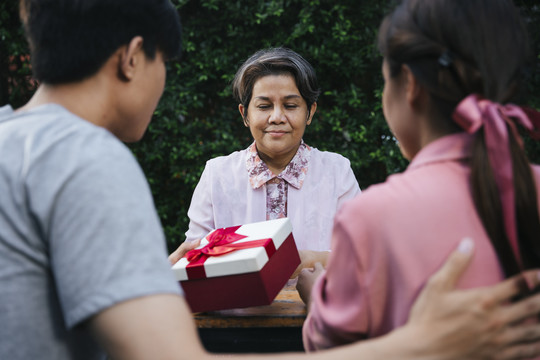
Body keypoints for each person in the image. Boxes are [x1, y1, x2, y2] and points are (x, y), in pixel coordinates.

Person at [2, 0, 540, 359]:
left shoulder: (13, 138)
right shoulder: (87, 158)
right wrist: (421, 343)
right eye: (166, 61)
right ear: (132, 58)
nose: (277, 116)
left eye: (291, 104)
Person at [299, 0, 540, 352]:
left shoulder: (370, 216)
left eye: (385, 81)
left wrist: (315, 296)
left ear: (409, 84)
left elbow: (330, 346)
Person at [172, 48, 361, 273]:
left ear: (310, 112)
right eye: (264, 106)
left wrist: (299, 260)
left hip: (317, 307)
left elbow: (361, 254)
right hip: (232, 307)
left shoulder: (337, 172)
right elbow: (197, 257)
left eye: (290, 105)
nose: (277, 117)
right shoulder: (217, 175)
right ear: (245, 114)